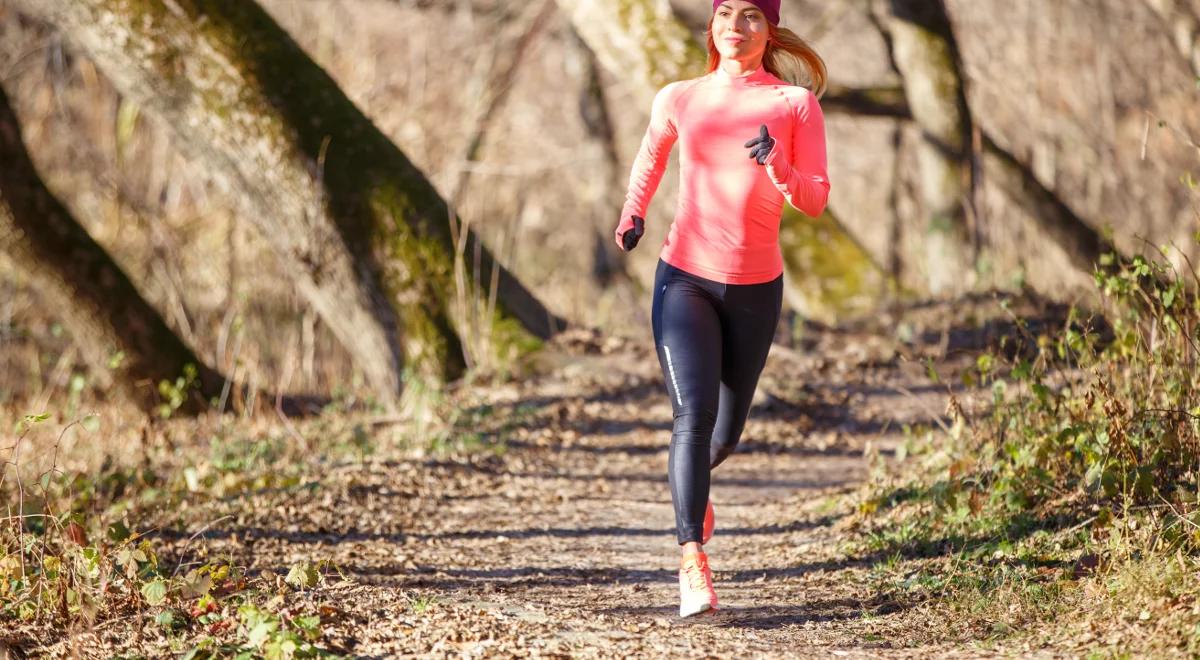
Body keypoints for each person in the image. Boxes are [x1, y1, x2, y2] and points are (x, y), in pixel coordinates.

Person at [613, 0, 830, 618]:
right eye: (725, 14)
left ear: (770, 30)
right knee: (692, 415)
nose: (736, 27)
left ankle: (697, 483)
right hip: (683, 278)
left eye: (751, 17)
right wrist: (633, 214)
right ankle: (692, 561)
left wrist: (778, 164)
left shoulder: (793, 105)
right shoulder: (680, 97)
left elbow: (814, 199)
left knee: (725, 434)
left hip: (755, 288)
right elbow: (651, 157)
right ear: (711, 26)